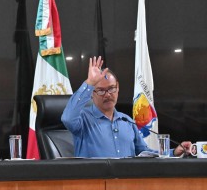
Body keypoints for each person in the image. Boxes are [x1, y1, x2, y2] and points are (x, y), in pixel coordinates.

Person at [61, 56, 191, 158]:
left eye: (111, 88)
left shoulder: (127, 121)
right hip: (94, 182)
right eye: (101, 90)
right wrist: (89, 83)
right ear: (91, 94)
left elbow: (144, 153)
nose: (107, 94)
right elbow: (67, 118)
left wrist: (174, 152)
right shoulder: (83, 119)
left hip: (126, 182)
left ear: (118, 88)